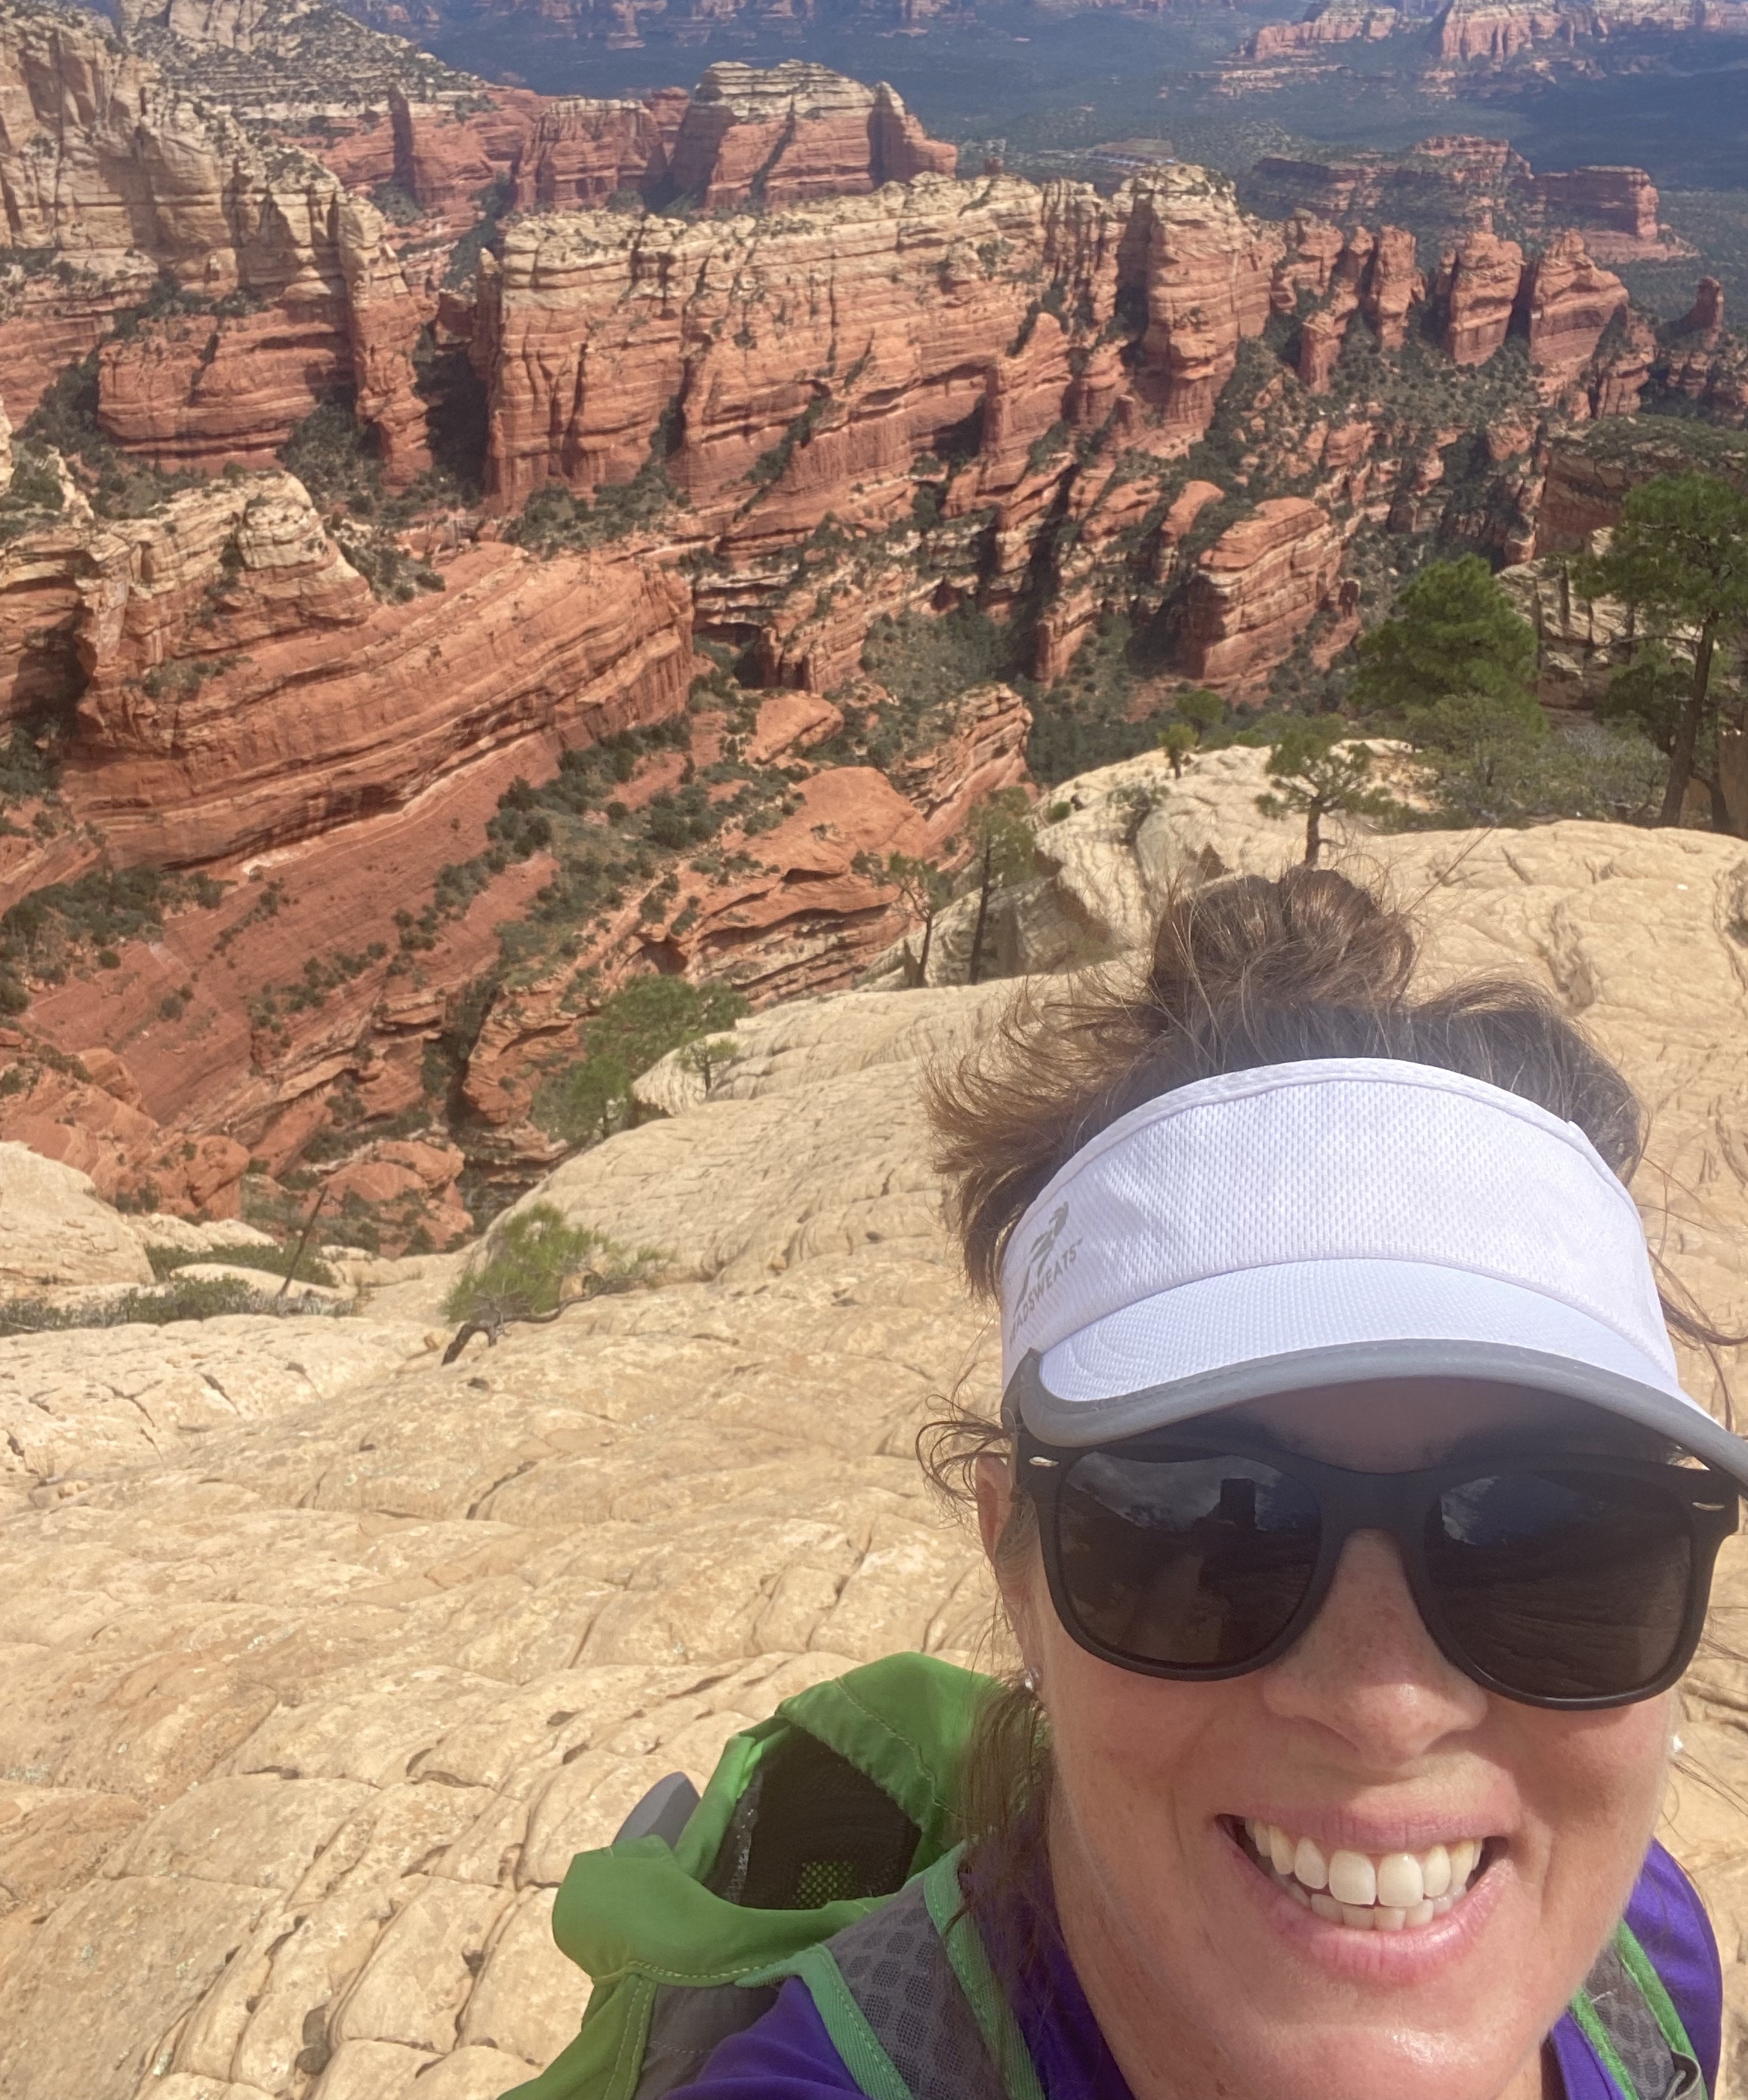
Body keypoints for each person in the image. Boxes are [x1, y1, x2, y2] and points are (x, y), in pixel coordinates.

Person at [665, 867, 1742, 2100]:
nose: (1384, 1707)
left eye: (1557, 1545)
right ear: (1016, 1567)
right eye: (1210, 1534)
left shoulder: (1644, 1962)